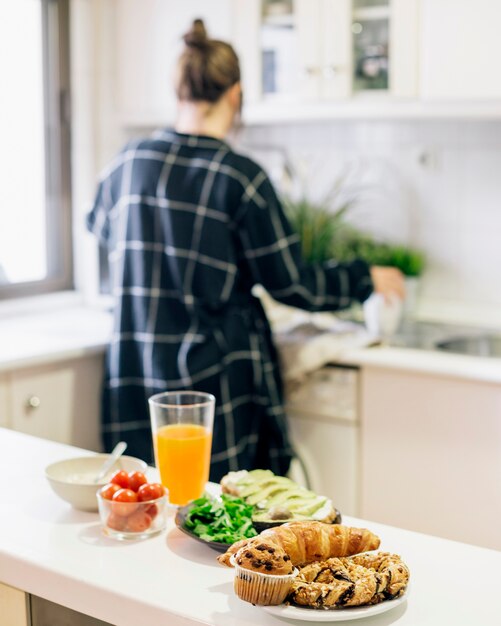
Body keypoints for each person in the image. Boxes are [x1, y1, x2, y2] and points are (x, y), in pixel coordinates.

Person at [86, 19, 404, 482]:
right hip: (215, 387)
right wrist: (363, 276)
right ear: (235, 94)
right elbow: (292, 284)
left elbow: (96, 227)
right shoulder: (241, 177)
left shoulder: (127, 162)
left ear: (179, 90)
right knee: (226, 528)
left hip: (136, 377)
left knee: (145, 513)